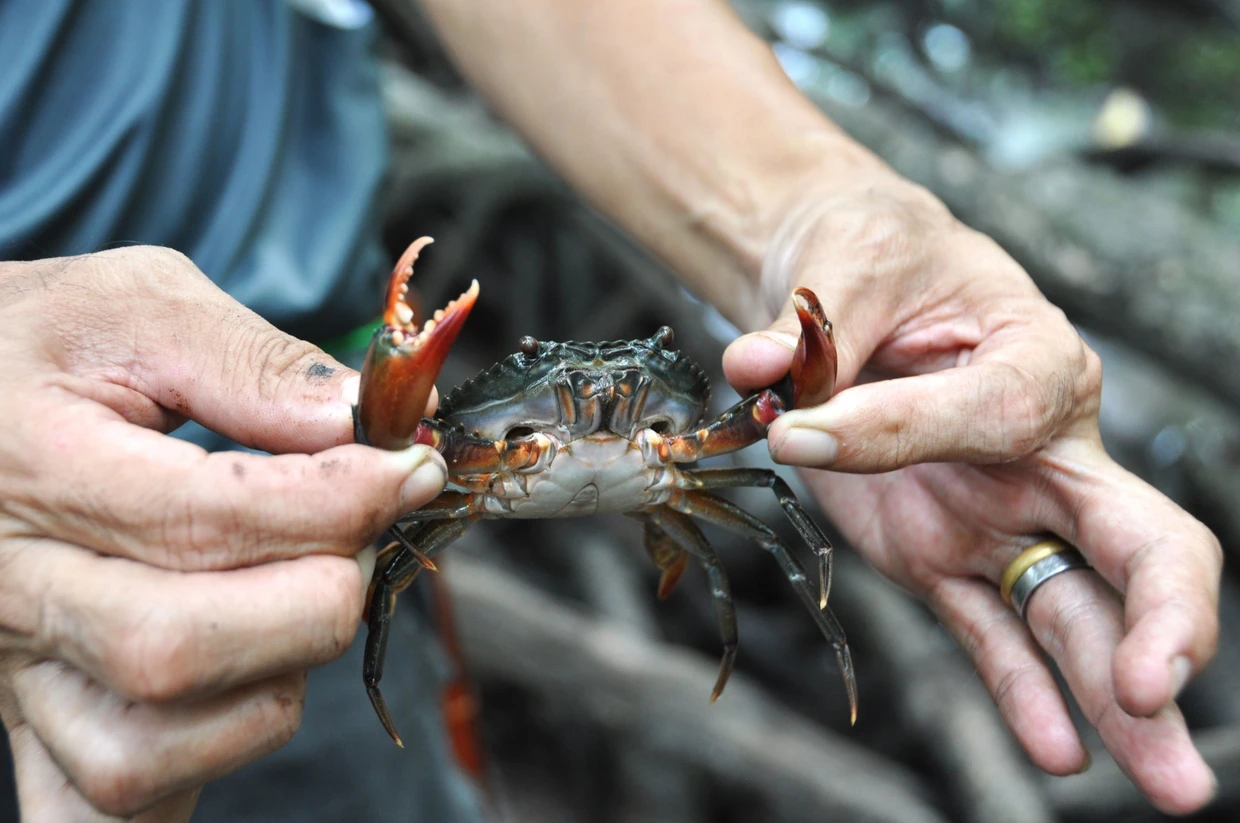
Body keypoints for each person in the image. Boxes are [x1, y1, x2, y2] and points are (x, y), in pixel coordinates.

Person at [0, 1, 1221, 820]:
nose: (586, 409)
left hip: (301, 591)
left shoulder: (666, 452)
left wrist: (814, 213)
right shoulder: (455, 445)